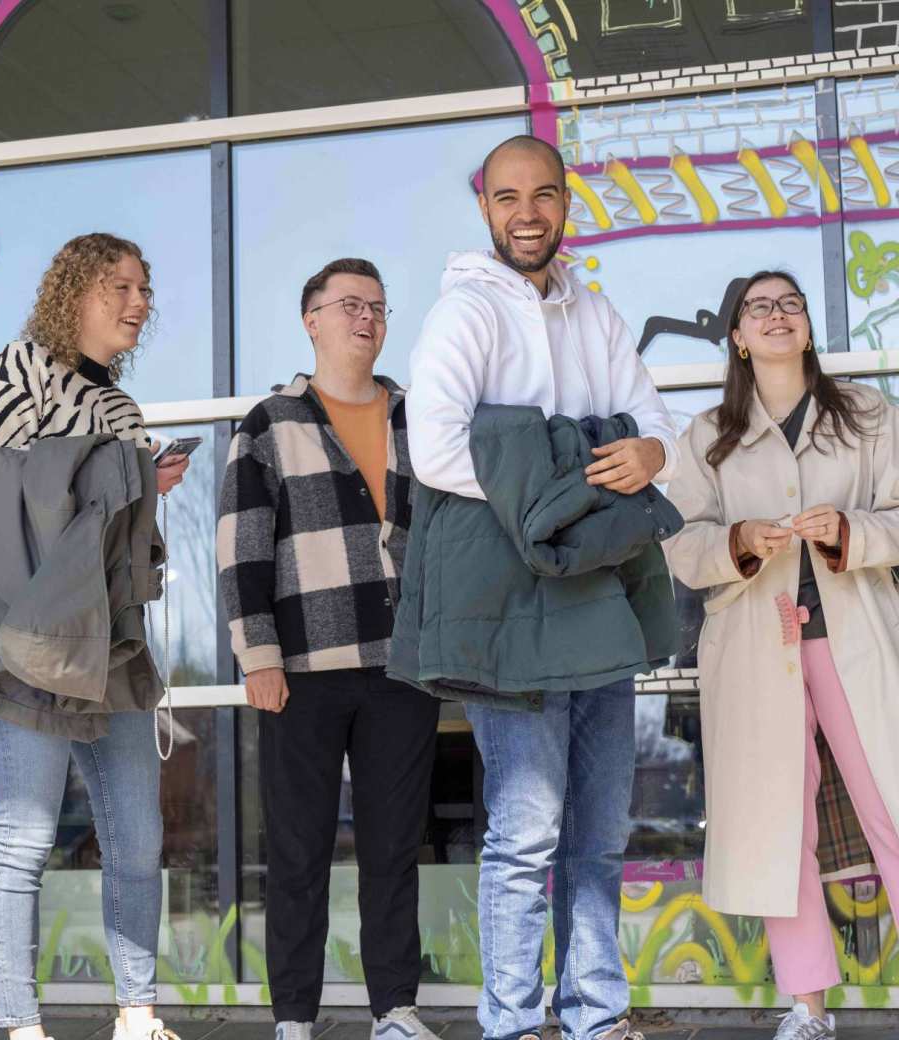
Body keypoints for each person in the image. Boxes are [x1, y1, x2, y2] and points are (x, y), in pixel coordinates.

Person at [406, 135, 677, 1040]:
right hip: (507, 606)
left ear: (567, 203)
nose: (529, 213)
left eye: (546, 195)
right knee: (525, 836)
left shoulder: (595, 313)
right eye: (510, 197)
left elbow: (652, 421)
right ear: (485, 207)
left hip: (597, 593)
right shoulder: (462, 317)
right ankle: (513, 1026)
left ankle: (597, 1018)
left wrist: (648, 451)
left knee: (599, 833)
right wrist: (574, 475)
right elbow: (437, 448)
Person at [0, 233, 190, 1040]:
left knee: (137, 835)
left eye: (144, 287)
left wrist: (146, 492)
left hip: (110, 640)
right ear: (74, 293)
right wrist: (123, 476)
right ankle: (21, 1026)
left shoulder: (123, 411)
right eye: (119, 285)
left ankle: (137, 1013)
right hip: (23, 632)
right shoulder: (16, 372)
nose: (138, 302)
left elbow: (114, 533)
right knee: (24, 833)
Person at [664, 270, 899, 1040]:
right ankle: (806, 1007)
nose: (776, 316)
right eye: (757, 308)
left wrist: (850, 532)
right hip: (758, 650)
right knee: (778, 826)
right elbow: (680, 543)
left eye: (789, 304)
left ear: (806, 325)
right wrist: (735, 541)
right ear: (735, 334)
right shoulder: (706, 435)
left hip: (855, 639)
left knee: (892, 808)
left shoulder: (866, 415)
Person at [217, 258, 440, 1040]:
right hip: (303, 671)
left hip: (402, 667)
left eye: (378, 306)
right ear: (310, 319)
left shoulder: (420, 416)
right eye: (349, 304)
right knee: (300, 850)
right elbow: (241, 548)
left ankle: (394, 1010)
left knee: (392, 847)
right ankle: (294, 1018)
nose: (367, 318)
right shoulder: (269, 423)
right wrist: (259, 657)